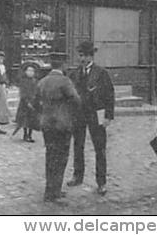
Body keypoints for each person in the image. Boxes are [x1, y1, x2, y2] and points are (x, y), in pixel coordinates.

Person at [68, 41, 115, 195]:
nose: (81, 59)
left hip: (97, 114)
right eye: (80, 56)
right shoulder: (74, 73)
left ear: (90, 56)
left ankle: (101, 182)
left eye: (84, 56)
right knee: (78, 145)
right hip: (79, 115)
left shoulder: (101, 73)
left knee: (99, 148)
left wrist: (108, 116)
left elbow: (110, 95)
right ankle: (78, 175)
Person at [35, 54, 81, 202]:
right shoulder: (65, 82)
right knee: (61, 158)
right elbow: (76, 100)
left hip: (47, 125)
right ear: (63, 65)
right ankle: (55, 192)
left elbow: (35, 102)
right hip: (62, 125)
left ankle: (50, 191)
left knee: (50, 157)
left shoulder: (42, 81)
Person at [12, 62, 39, 142]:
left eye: (32, 71)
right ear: (25, 72)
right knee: (25, 120)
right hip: (25, 103)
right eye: (29, 71)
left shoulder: (35, 81)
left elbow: (37, 91)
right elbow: (23, 92)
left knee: (32, 120)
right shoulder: (23, 81)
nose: (30, 73)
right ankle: (25, 134)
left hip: (33, 102)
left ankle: (30, 134)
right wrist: (27, 101)